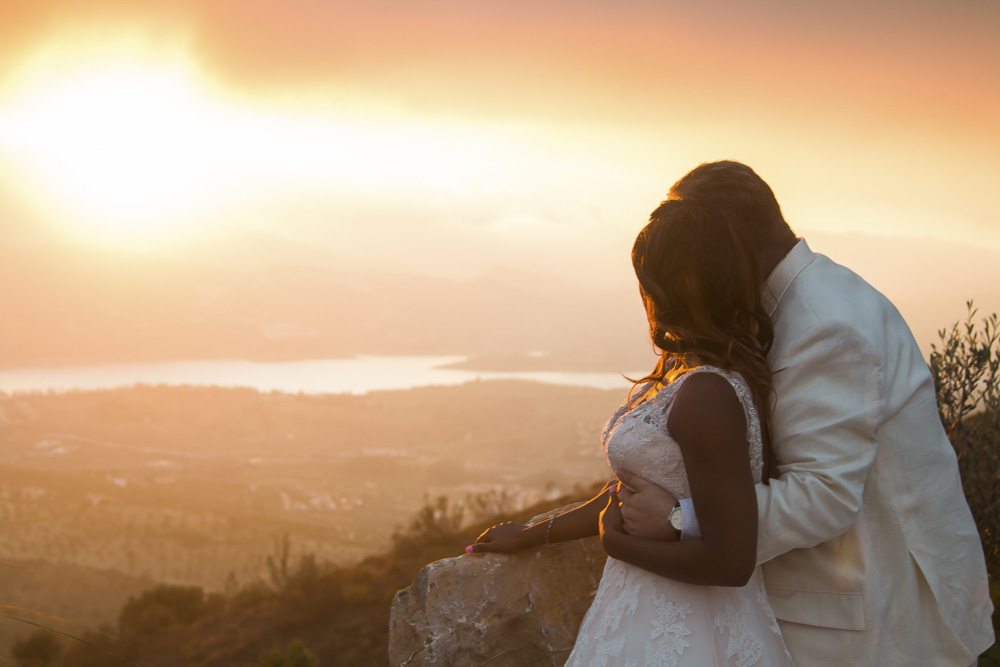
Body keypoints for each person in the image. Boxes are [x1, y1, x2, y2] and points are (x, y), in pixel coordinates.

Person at [613, 161, 995, 665]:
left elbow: (823, 493)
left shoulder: (822, 324)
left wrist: (680, 518)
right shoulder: (798, 300)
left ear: (730, 241)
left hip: (868, 620)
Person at [469, 170, 796, 665]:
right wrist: (535, 533)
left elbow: (732, 560)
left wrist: (616, 544)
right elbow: (631, 490)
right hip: (642, 613)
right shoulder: (690, 375)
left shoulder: (707, 395)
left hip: (690, 633)